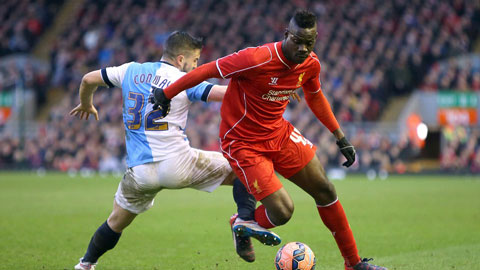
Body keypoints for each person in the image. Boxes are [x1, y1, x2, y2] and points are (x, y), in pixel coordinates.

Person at [150, 11, 388, 270]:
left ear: (316, 39)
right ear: (287, 35)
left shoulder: (310, 64)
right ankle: (242, 222)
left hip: (278, 133)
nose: (302, 48)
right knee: (283, 212)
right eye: (297, 40)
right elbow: (208, 69)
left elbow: (315, 97)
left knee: (326, 190)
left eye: (309, 43)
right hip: (242, 142)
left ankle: (353, 264)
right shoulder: (256, 58)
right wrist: (167, 93)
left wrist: (340, 136)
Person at [69, 31, 280, 270]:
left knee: (116, 220)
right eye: (195, 60)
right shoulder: (183, 80)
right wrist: (270, 91)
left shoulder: (128, 70)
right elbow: (225, 94)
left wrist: (87, 103)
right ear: (181, 59)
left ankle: (86, 264)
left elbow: (88, 79)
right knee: (242, 167)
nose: (196, 66)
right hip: (178, 164)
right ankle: (244, 219)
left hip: (139, 173)